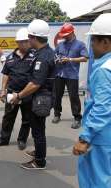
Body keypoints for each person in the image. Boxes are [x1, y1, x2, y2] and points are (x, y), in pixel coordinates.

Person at [10, 19, 55, 170]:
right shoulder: (46, 52)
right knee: (38, 128)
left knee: (38, 131)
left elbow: (35, 83)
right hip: (42, 97)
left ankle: (39, 161)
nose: (28, 40)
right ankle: (39, 152)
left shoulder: (42, 57)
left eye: (29, 37)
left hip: (40, 98)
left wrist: (19, 96)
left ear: (34, 38)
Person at [73, 13, 111, 188]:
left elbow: (102, 107)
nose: (92, 46)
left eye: (93, 41)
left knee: (96, 180)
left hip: (100, 137)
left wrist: (85, 139)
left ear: (105, 42)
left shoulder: (104, 70)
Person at [0, 28, 34, 150]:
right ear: (17, 42)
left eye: (26, 41)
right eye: (21, 41)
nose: (24, 44)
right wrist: (3, 90)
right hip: (11, 93)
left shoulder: (34, 56)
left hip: (28, 94)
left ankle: (22, 140)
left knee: (26, 119)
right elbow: (6, 74)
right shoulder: (10, 57)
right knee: (8, 117)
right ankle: (4, 139)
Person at [52, 23, 89, 129]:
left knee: (74, 97)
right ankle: (57, 114)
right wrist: (57, 59)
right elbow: (55, 54)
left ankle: (77, 118)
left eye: (66, 34)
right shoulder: (60, 44)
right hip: (59, 74)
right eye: (63, 35)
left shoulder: (80, 44)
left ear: (72, 32)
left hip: (72, 75)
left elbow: (85, 58)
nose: (64, 36)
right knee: (57, 95)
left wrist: (70, 59)